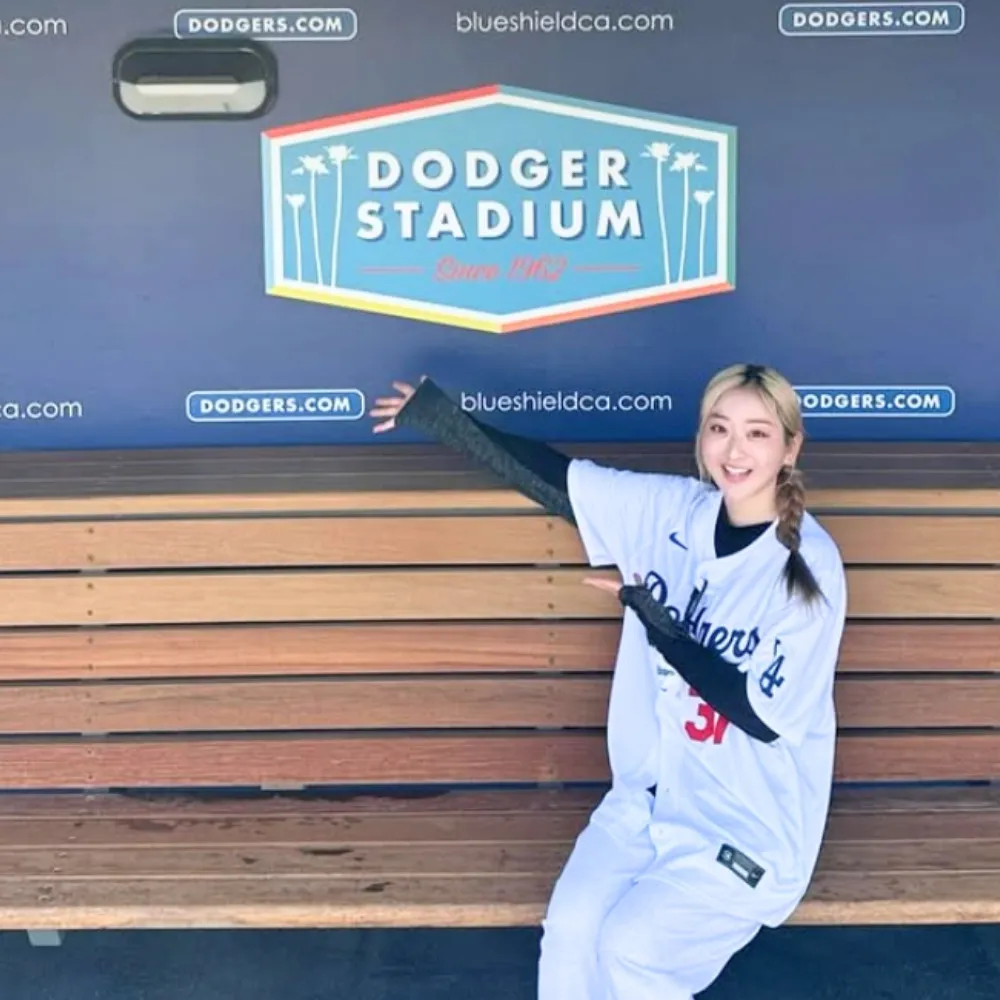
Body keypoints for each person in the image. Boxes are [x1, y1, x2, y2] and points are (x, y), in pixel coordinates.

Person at [369, 363, 848, 1000]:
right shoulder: (673, 510)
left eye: (758, 434)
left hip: (745, 825)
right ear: (702, 439)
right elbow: (561, 483)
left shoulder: (809, 567)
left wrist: (661, 627)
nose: (735, 451)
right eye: (720, 429)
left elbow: (761, 713)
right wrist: (443, 418)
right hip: (647, 799)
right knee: (570, 930)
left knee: (631, 952)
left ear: (790, 448)